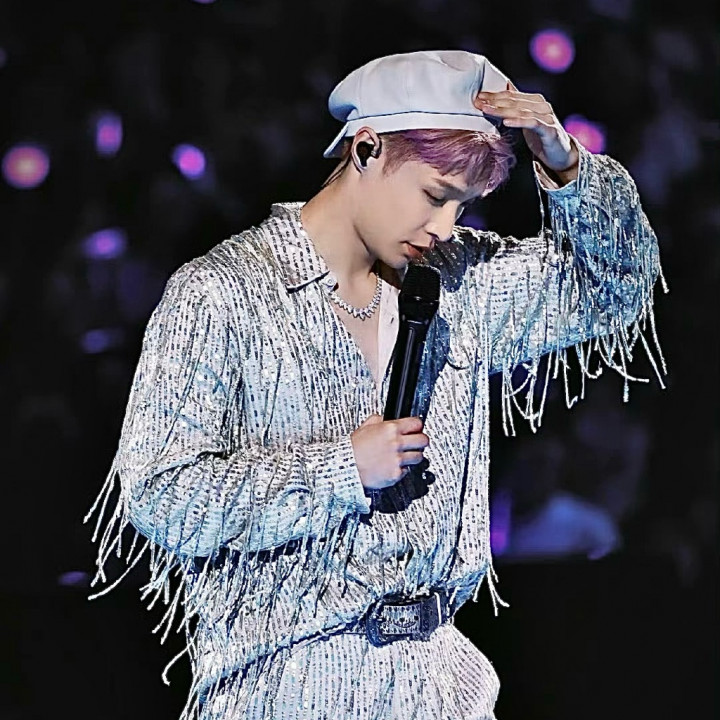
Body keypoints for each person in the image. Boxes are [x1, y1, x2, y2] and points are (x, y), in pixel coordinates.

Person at [84, 50, 666, 719]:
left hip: (440, 687)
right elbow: (160, 494)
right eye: (435, 196)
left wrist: (567, 167)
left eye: (463, 207)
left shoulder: (461, 284)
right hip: (284, 689)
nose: (445, 228)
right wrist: (340, 470)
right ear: (365, 148)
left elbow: (613, 289)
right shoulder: (221, 294)